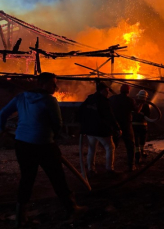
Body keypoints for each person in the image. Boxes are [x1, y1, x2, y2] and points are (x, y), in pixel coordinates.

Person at [0, 72, 85, 227]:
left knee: (27, 179)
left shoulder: (21, 97)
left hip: (22, 144)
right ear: (42, 84)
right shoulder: (49, 100)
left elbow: (2, 113)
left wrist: (2, 129)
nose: (56, 86)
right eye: (53, 83)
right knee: (57, 177)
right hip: (44, 144)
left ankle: (20, 217)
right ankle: (72, 208)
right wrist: (52, 135)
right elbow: (58, 124)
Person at [79, 82, 121, 176]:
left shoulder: (89, 99)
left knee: (92, 148)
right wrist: (117, 128)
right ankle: (110, 169)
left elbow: (81, 111)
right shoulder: (104, 101)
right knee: (110, 147)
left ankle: (91, 169)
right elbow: (110, 116)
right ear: (102, 90)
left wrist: (84, 126)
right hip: (101, 130)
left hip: (90, 129)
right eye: (106, 91)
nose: (108, 93)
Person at [109, 84, 137, 171]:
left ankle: (110, 166)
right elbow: (137, 110)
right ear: (128, 91)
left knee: (112, 146)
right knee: (130, 145)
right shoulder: (130, 100)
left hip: (115, 125)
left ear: (120, 90)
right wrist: (142, 103)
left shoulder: (112, 99)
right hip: (126, 126)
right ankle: (131, 166)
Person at [132, 90, 151, 165]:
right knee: (142, 139)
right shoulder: (146, 105)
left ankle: (137, 153)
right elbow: (148, 115)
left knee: (136, 139)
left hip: (134, 125)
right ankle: (141, 152)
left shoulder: (133, 103)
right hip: (143, 125)